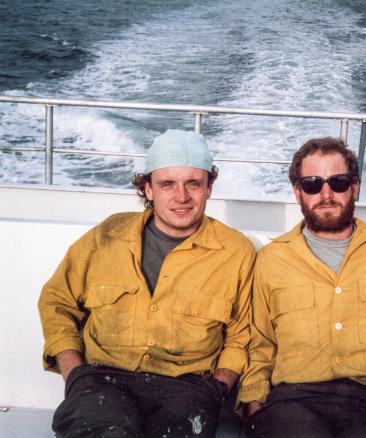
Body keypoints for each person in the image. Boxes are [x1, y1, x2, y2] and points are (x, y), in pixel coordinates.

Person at [38, 129, 256, 437]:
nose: (181, 197)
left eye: (193, 183)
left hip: (186, 390)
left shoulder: (236, 252)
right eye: (167, 184)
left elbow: (241, 336)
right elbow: (57, 302)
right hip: (102, 381)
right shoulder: (107, 236)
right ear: (148, 188)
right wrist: (74, 372)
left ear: (209, 187)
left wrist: (216, 389)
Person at [238, 137, 366, 438]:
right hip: (294, 402)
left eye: (338, 182)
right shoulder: (270, 260)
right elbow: (259, 345)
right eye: (313, 184)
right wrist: (254, 402)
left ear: (355, 186)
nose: (326, 194)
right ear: (297, 192)